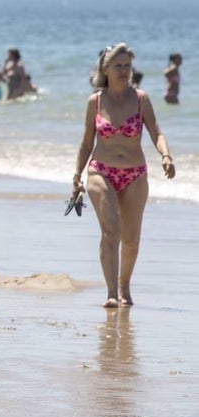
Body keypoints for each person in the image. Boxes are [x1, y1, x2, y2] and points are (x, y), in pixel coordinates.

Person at [73, 44, 174, 308]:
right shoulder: (95, 101)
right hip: (100, 170)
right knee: (111, 231)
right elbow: (86, 142)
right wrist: (76, 175)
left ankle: (124, 286)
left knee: (131, 238)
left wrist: (165, 155)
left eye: (127, 65)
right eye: (118, 65)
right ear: (105, 69)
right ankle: (110, 292)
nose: (124, 70)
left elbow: (156, 132)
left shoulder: (141, 99)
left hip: (135, 174)